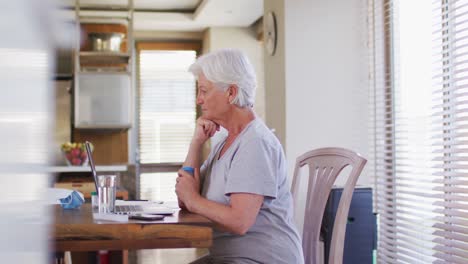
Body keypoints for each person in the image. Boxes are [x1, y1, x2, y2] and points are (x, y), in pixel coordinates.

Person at [175, 48, 304, 264]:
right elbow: (184, 197)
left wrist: (192, 199)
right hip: (230, 258)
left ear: (231, 93)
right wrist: (196, 143)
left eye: (204, 91)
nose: (199, 100)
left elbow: (239, 221)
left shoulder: (255, 143)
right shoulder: (224, 142)